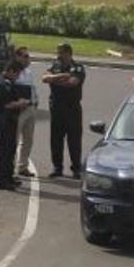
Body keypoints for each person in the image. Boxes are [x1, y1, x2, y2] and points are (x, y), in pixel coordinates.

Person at [42, 43, 86, 179]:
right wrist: (61, 76)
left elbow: (72, 82)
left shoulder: (78, 67)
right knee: (56, 139)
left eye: (60, 53)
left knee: (74, 140)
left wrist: (54, 80)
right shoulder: (55, 65)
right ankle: (57, 167)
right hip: (56, 108)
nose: (58, 55)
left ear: (68, 53)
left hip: (72, 109)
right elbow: (44, 78)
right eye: (58, 52)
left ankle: (76, 168)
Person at [0, 60, 29, 191]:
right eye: (17, 73)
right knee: (4, 150)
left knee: (11, 150)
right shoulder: (3, 83)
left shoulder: (6, 81)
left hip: (10, 120)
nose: (18, 76)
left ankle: (8, 176)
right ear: (11, 71)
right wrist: (20, 104)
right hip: (4, 120)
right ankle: (1, 180)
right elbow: (6, 104)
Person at [12, 47, 38, 178]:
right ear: (18, 57)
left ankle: (22, 166)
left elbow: (33, 88)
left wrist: (36, 101)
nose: (28, 59)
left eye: (29, 56)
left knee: (28, 140)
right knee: (13, 140)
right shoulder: (14, 73)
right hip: (19, 110)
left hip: (30, 108)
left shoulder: (28, 72)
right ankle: (9, 169)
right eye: (25, 56)